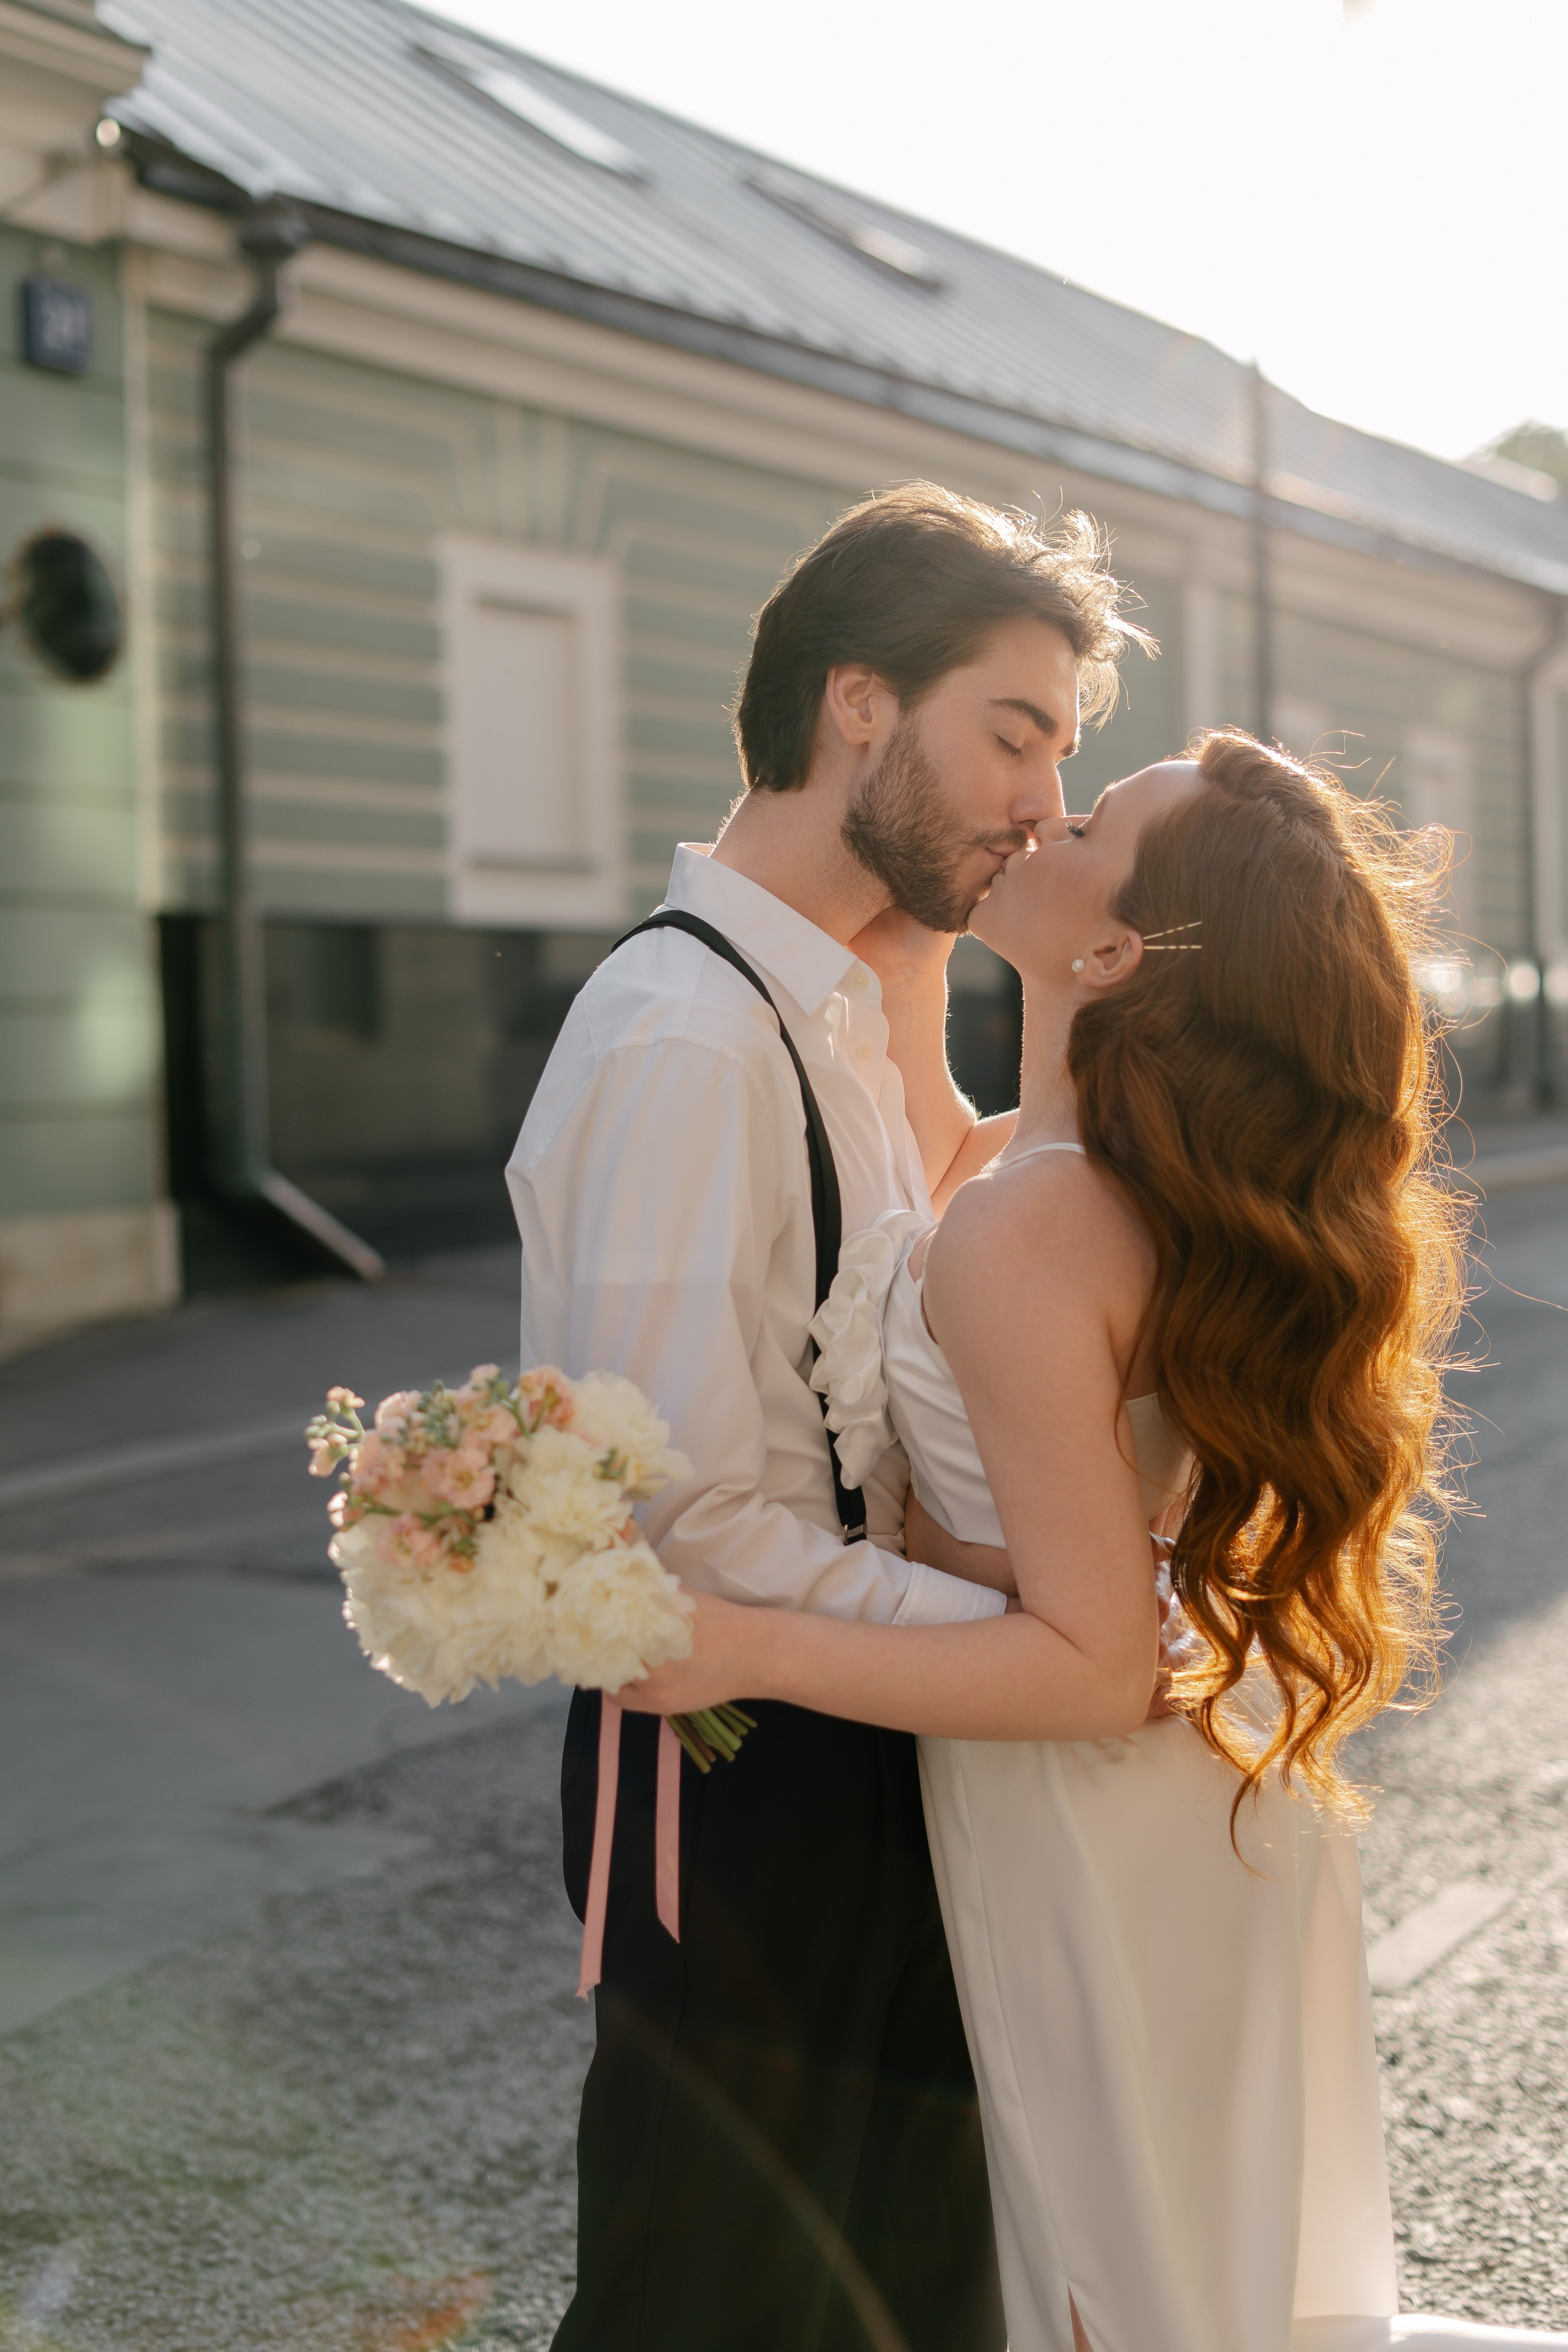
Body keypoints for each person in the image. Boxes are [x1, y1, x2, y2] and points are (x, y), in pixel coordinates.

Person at [624, 731, 1568, 2352]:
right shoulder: (1042, 1167)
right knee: (1213, 2268)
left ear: (1118, 949)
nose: (1044, 808)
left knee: (1116, 2280)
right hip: (1210, 1774)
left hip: (1091, 1796)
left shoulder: (1035, 1215)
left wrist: (740, 1646)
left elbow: (1091, 1663)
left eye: (1090, 812)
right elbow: (1088, 1524)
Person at [508, 481, 1150, 2352]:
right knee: (715, 2299)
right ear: (857, 706)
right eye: (1012, 734)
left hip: (850, 1734)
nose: (1043, 797)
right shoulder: (685, 1037)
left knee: (892, 2289)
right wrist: (1038, 1643)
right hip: (742, 1776)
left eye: (1063, 752)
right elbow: (688, 1540)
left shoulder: (832, 1011)